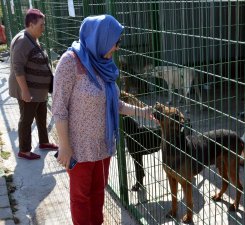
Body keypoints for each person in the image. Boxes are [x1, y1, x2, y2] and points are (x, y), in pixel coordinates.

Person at [52, 15, 153, 225]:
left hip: (103, 147)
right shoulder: (70, 62)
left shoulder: (103, 63)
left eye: (119, 42)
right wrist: (64, 146)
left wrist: (144, 112)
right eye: (115, 42)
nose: (117, 47)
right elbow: (59, 108)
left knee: (98, 194)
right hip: (79, 149)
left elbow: (115, 104)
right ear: (101, 38)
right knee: (81, 198)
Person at [9, 8, 58, 160]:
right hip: (29, 91)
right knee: (26, 120)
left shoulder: (32, 37)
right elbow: (18, 68)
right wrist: (25, 91)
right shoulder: (23, 41)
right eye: (41, 25)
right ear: (31, 24)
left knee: (41, 116)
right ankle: (24, 150)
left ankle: (44, 142)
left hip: (39, 92)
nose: (43, 28)